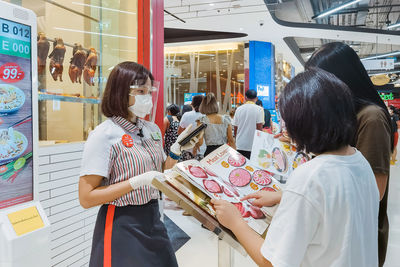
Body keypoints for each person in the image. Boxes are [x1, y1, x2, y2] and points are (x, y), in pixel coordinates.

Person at [212, 68, 379, 267]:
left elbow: (271, 262)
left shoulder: (310, 177)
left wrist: (235, 222)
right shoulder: (359, 161)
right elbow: (338, 206)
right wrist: (285, 196)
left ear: (303, 122)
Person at [79, 62, 201, 267]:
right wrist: (134, 183)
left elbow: (162, 173)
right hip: (121, 223)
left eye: (149, 91)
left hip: (153, 217)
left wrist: (177, 150)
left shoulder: (151, 129)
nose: (147, 97)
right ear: (120, 91)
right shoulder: (104, 134)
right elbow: (86, 197)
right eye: (140, 91)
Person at [305, 42, 392, 267]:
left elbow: (375, 190)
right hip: (338, 234)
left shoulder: (370, 118)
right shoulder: (345, 117)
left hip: (357, 238)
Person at [232, 89, 264, 158]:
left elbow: (235, 128)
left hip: (240, 144)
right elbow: (259, 128)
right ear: (256, 98)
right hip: (253, 145)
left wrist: (236, 139)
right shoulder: (259, 109)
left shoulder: (239, 109)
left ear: (245, 97)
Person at [178, 95, 206, 161]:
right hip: (203, 150)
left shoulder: (186, 115)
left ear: (192, 104)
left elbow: (179, 132)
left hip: (187, 149)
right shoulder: (206, 116)